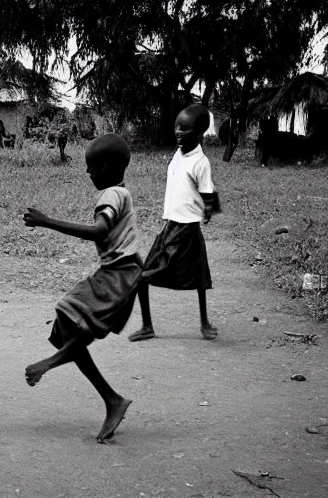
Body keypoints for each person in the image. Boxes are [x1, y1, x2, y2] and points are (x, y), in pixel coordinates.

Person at [21, 133, 141, 443]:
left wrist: (48, 221)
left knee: (73, 322)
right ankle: (112, 400)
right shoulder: (120, 193)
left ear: (104, 166)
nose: (88, 174)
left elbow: (99, 230)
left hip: (118, 276)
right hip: (118, 273)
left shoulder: (112, 195)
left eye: (90, 168)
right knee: (65, 326)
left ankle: (46, 365)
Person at [128, 104, 220, 342]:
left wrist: (209, 208)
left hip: (187, 229)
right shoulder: (179, 154)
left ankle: (204, 322)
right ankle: (147, 326)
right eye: (177, 127)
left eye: (185, 128)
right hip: (171, 226)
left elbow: (208, 191)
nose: (178, 132)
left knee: (198, 278)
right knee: (143, 276)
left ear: (200, 133)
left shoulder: (201, 162)